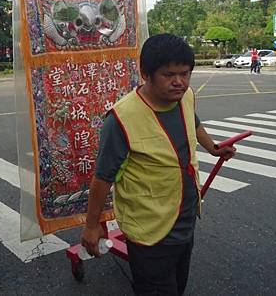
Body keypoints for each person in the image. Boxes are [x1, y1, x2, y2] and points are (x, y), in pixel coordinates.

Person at [81, 34, 236, 296]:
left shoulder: (184, 97)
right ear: (146, 74)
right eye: (169, 74)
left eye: (185, 74)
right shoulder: (121, 118)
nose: (179, 82)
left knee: (178, 285)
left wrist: (213, 148)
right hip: (149, 230)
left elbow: (194, 122)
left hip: (185, 218)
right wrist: (91, 225)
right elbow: (103, 177)